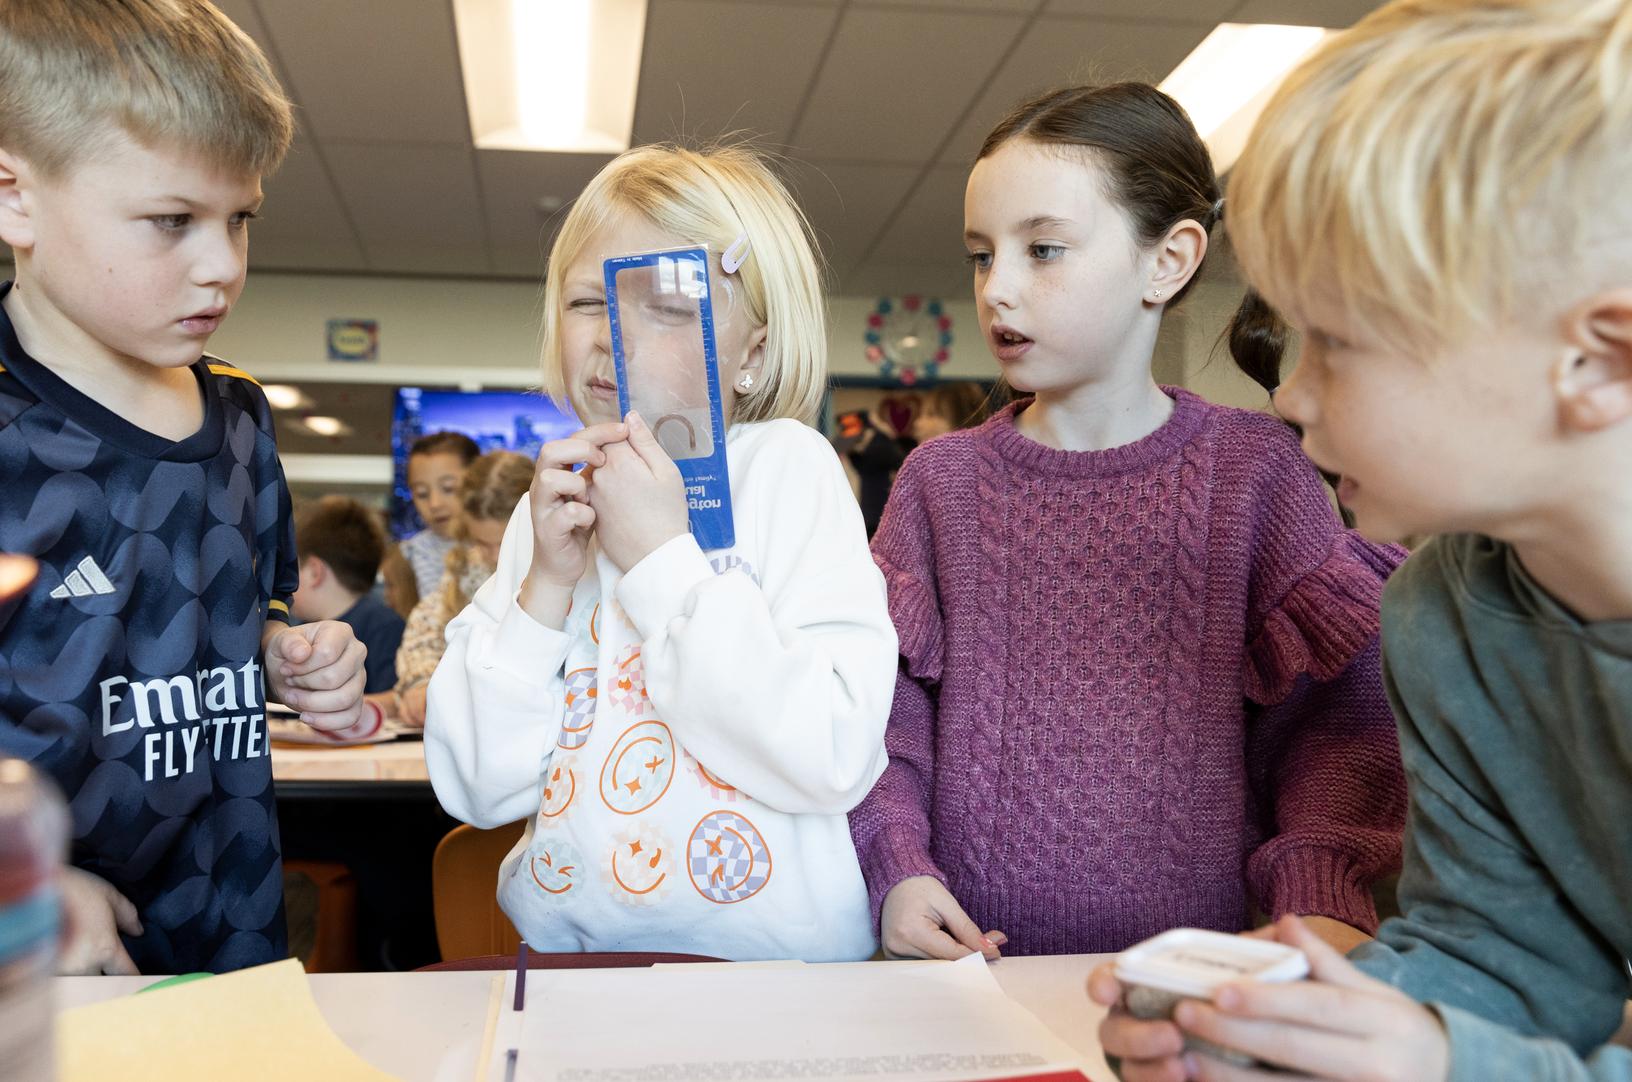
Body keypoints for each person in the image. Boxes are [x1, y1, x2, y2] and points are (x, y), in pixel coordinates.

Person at [1091, 3, 1632, 1079]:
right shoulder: (1445, 615)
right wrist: (1301, 1035)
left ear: (1599, 361)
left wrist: (1449, 1067)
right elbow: (1501, 961)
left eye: (1336, 340)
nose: (1289, 393)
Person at [848, 83, 1407, 962]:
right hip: (968, 976)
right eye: (981, 255)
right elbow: (882, 715)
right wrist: (897, 866)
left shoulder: (1255, 475)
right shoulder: (938, 483)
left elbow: (1335, 724)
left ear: (1169, 261)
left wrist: (1319, 895)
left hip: (1199, 984)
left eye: (1044, 250)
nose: (998, 289)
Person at [424, 143, 896, 961]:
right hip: (568, 962)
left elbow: (829, 753)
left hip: (772, 987)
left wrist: (660, 559)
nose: (615, 335)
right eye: (585, 301)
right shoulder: (550, 511)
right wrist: (542, 587)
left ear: (750, 354)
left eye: (667, 306)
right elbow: (478, 785)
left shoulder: (784, 468)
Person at [0, 0, 365, 974]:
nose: (223, 265)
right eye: (172, 221)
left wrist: (291, 656)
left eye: (239, 219)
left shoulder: (241, 416)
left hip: (228, 932)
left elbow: (252, 611)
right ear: (14, 196)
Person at [393, 450, 532, 727]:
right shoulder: (467, 569)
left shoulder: (565, 568)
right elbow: (426, 632)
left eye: (505, 543)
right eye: (482, 543)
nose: (494, 556)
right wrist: (421, 682)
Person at [292, 496, 404, 696]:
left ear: (315, 572)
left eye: (290, 571)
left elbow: (396, 698)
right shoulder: (299, 629)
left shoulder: (383, 626)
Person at [400, 431, 479, 599]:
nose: (434, 504)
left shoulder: (508, 538)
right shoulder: (413, 553)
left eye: (449, 488)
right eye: (422, 493)